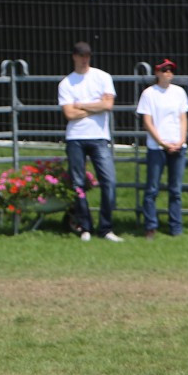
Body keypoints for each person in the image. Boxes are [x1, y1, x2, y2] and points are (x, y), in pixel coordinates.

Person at [58, 41, 122, 242]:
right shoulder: (66, 83)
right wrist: (96, 106)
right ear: (74, 57)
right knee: (78, 183)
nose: (85, 59)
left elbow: (108, 105)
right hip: (75, 138)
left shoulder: (102, 77)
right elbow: (69, 113)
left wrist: (82, 105)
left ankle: (105, 228)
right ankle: (85, 226)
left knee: (109, 181)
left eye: (88, 55)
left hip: (99, 137)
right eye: (81, 55)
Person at [137, 58, 188, 239]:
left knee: (176, 190)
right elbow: (147, 122)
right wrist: (162, 142)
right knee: (152, 189)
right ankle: (150, 226)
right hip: (156, 148)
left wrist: (181, 140)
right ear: (157, 73)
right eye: (164, 70)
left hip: (178, 146)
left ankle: (176, 227)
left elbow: (183, 118)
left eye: (171, 70)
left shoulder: (179, 93)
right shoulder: (149, 94)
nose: (168, 73)